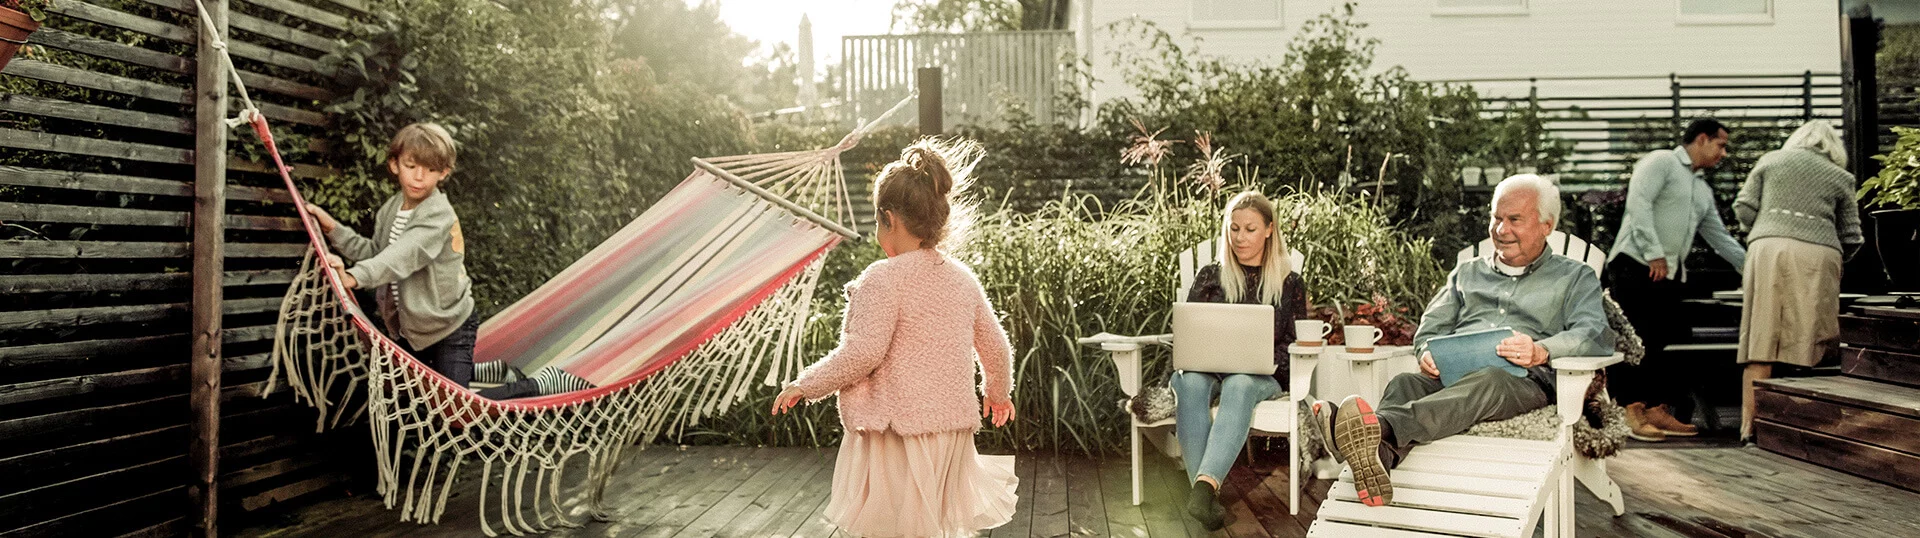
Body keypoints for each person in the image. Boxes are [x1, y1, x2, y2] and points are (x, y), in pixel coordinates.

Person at [1310, 174, 1612, 507]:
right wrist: (1427, 351)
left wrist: (1542, 350)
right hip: (1452, 375)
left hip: (1521, 382)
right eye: (1496, 218)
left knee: (1491, 379)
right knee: (1405, 383)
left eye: (1514, 220)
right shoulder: (1467, 273)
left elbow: (1593, 334)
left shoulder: (1574, 276)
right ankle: (1378, 457)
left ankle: (1372, 428)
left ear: (1546, 225)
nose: (1500, 229)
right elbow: (1431, 327)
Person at [770, 138, 1018, 538]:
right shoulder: (961, 279)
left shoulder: (882, 279)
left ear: (889, 218)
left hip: (899, 431)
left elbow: (863, 352)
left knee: (894, 529)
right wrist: (998, 393)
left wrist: (806, 384)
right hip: (950, 432)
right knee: (933, 525)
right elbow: (996, 347)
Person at [1605, 118, 1748, 441]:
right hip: (1636, 263)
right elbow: (1638, 202)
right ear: (1701, 139)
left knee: (1661, 339)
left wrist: (1752, 267)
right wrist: (1654, 251)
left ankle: (1655, 409)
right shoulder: (1662, 162)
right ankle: (1630, 410)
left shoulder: (1700, 188)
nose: (1723, 153)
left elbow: (1718, 236)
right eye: (1721, 145)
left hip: (1665, 273)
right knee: (1634, 339)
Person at [1173, 191, 1308, 530]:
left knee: (1240, 382)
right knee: (1189, 382)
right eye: (1234, 229)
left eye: (1249, 229)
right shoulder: (1210, 276)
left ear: (1269, 230)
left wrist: (1258, 361)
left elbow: (1295, 342)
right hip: (1207, 368)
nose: (1240, 237)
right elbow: (1188, 333)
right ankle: (1204, 496)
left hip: (1260, 376)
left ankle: (1202, 491)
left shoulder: (1289, 283)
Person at [307, 123, 478, 388]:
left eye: (430, 170)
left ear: (443, 173)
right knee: (413, 399)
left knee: (457, 412)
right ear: (394, 164)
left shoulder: (438, 214)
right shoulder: (392, 208)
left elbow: (402, 256)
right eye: (411, 166)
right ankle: (486, 371)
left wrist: (353, 276)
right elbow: (377, 253)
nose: (419, 177)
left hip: (449, 325)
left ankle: (538, 386)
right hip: (411, 330)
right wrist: (333, 229)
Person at [1733, 120, 1863, 441]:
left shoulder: (1771, 160)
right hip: (1818, 256)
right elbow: (1852, 235)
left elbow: (1744, 207)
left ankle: (1750, 430)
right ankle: (1802, 433)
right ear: (1833, 148)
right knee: (1811, 341)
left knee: (1760, 343)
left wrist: (1765, 229)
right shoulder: (1841, 177)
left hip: (1766, 249)